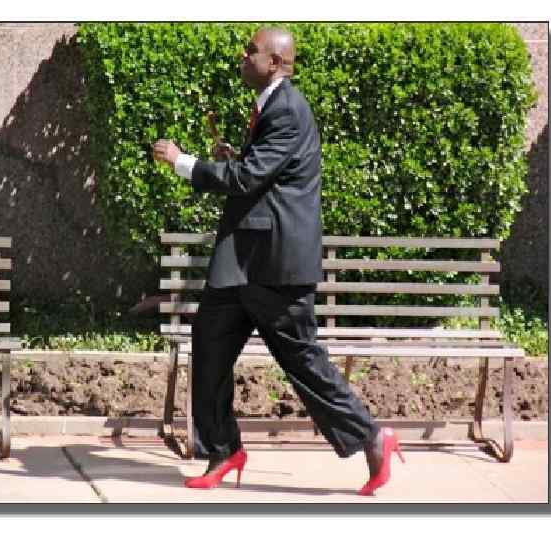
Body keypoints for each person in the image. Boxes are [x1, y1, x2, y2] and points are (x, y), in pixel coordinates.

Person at [153, 27, 403, 495]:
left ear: (275, 63)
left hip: (274, 267)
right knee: (209, 349)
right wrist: (234, 158)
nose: (243, 55)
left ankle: (373, 438)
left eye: (251, 50)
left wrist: (183, 162)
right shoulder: (271, 106)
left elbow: (248, 179)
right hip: (243, 264)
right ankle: (224, 450)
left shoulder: (287, 108)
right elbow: (264, 174)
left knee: (301, 359)